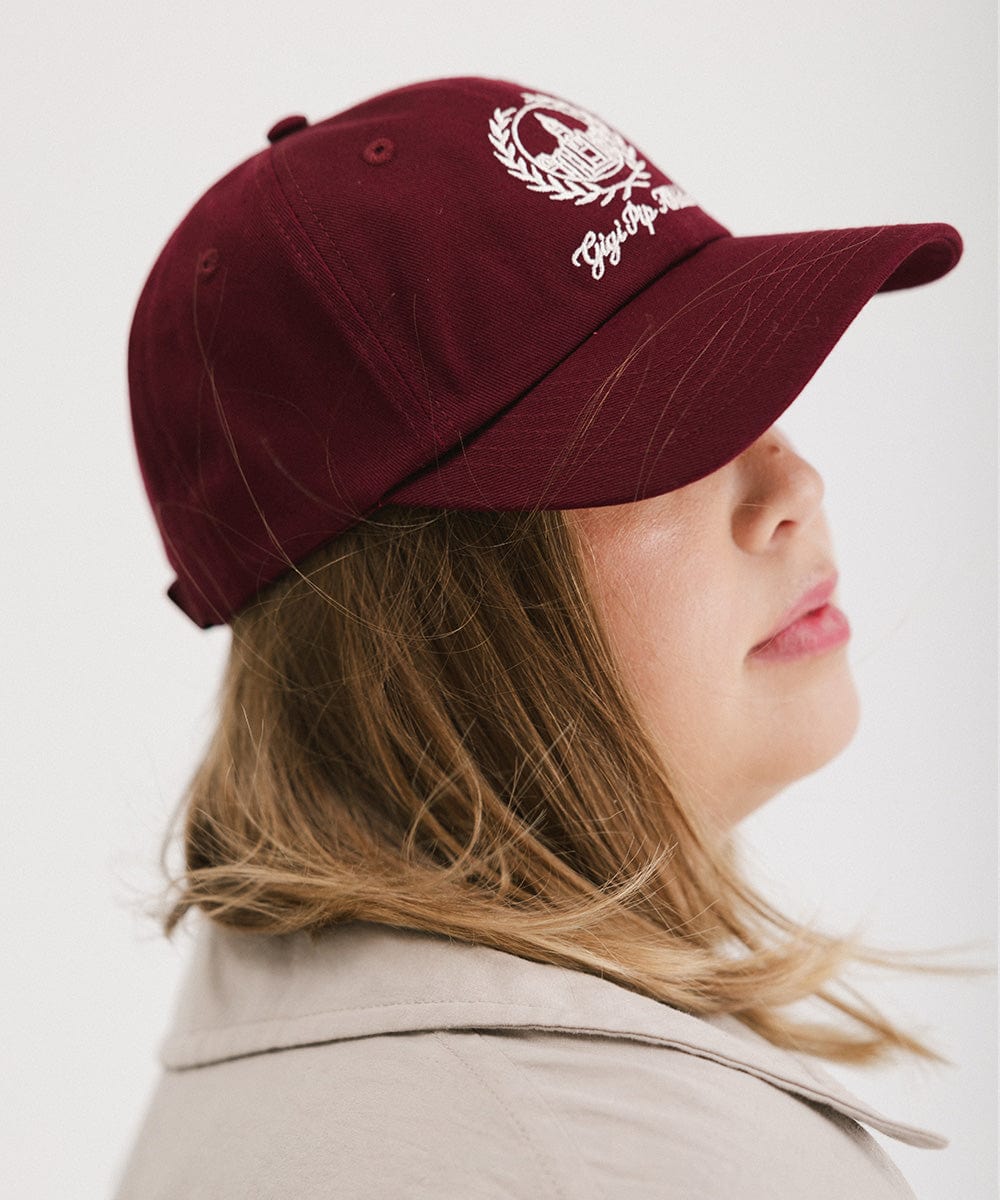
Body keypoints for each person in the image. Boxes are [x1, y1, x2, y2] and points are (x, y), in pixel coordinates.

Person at [114, 76, 967, 1198]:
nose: (791, 484)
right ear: (419, 615)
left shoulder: (297, 1080)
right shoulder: (645, 1161)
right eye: (662, 431)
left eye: (749, 387)